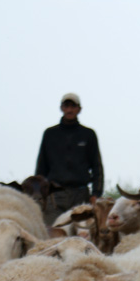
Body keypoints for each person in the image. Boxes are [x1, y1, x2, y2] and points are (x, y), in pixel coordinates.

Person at [35, 92, 104, 224]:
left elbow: (97, 166)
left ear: (79, 109)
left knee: (82, 235)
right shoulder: (50, 134)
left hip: (80, 194)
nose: (70, 110)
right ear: (61, 108)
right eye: (66, 106)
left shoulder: (88, 134)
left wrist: (96, 194)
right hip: (54, 195)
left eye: (73, 106)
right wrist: (39, 194)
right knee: (52, 233)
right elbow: (41, 167)